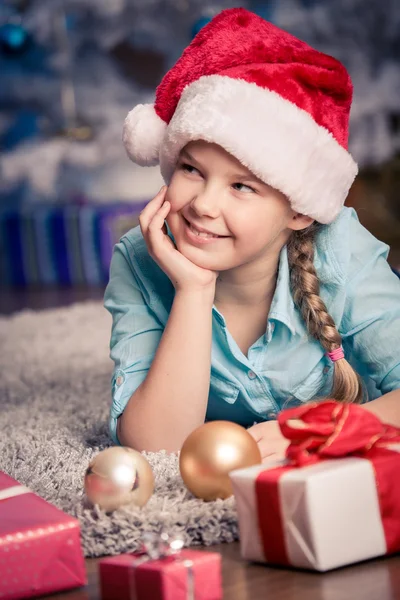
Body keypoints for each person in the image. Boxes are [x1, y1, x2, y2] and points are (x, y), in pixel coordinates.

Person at [104, 7, 400, 460]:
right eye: (191, 170)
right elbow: (156, 445)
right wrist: (193, 291)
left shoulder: (339, 249)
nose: (203, 205)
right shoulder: (140, 257)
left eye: (241, 186)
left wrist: (318, 428)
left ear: (299, 212)